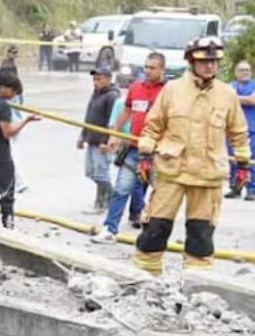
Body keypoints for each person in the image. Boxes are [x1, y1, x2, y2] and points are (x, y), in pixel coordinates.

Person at [134, 36, 251, 273]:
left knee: (201, 235)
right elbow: (153, 126)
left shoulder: (227, 94)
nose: (210, 66)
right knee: (155, 229)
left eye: (215, 61)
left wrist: (243, 166)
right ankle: (143, 276)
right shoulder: (172, 90)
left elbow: (239, 133)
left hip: (208, 176)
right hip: (172, 172)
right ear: (191, 61)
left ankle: (197, 286)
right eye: (204, 61)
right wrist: (145, 158)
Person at [91, 52, 167, 243]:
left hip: (159, 152)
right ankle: (109, 229)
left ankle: (155, 236)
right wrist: (114, 135)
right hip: (134, 149)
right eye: (146, 67)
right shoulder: (135, 87)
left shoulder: (169, 91)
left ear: (162, 70)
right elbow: (126, 111)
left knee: (163, 195)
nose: (148, 71)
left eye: (153, 68)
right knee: (122, 189)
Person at [0, 73, 41, 230]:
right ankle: (8, 226)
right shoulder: (2, 106)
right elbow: (7, 132)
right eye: (13, 91)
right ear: (3, 88)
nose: (14, 95)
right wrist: (26, 121)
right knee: (6, 194)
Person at [78, 66, 121, 214]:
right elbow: (89, 116)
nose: (95, 82)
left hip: (102, 142)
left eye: (99, 79)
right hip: (91, 139)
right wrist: (83, 135)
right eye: (94, 79)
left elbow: (113, 122)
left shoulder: (112, 96)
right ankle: (106, 197)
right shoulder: (96, 94)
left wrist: (106, 141)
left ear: (109, 79)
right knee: (90, 172)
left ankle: (104, 203)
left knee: (101, 173)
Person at [227, 60, 255, 200]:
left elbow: (252, 100)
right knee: (233, 160)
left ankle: (252, 189)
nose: (245, 72)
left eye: (247, 70)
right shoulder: (230, 86)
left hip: (251, 129)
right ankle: (235, 188)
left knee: (250, 160)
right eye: (242, 70)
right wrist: (243, 99)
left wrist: (234, 98)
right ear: (236, 73)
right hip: (233, 129)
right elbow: (225, 101)